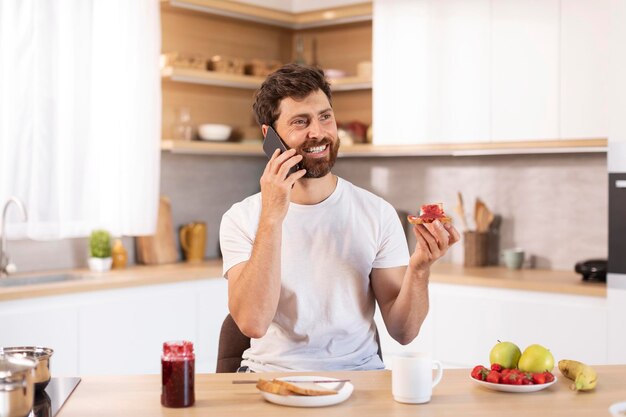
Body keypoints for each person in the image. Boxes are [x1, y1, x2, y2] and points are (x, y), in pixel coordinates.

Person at [219, 64, 460, 372]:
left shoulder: (377, 213)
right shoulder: (242, 217)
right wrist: (272, 218)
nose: (318, 132)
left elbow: (404, 332)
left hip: (359, 378)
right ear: (270, 137)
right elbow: (252, 323)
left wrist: (420, 268)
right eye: (300, 122)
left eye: (325, 117)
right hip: (270, 377)